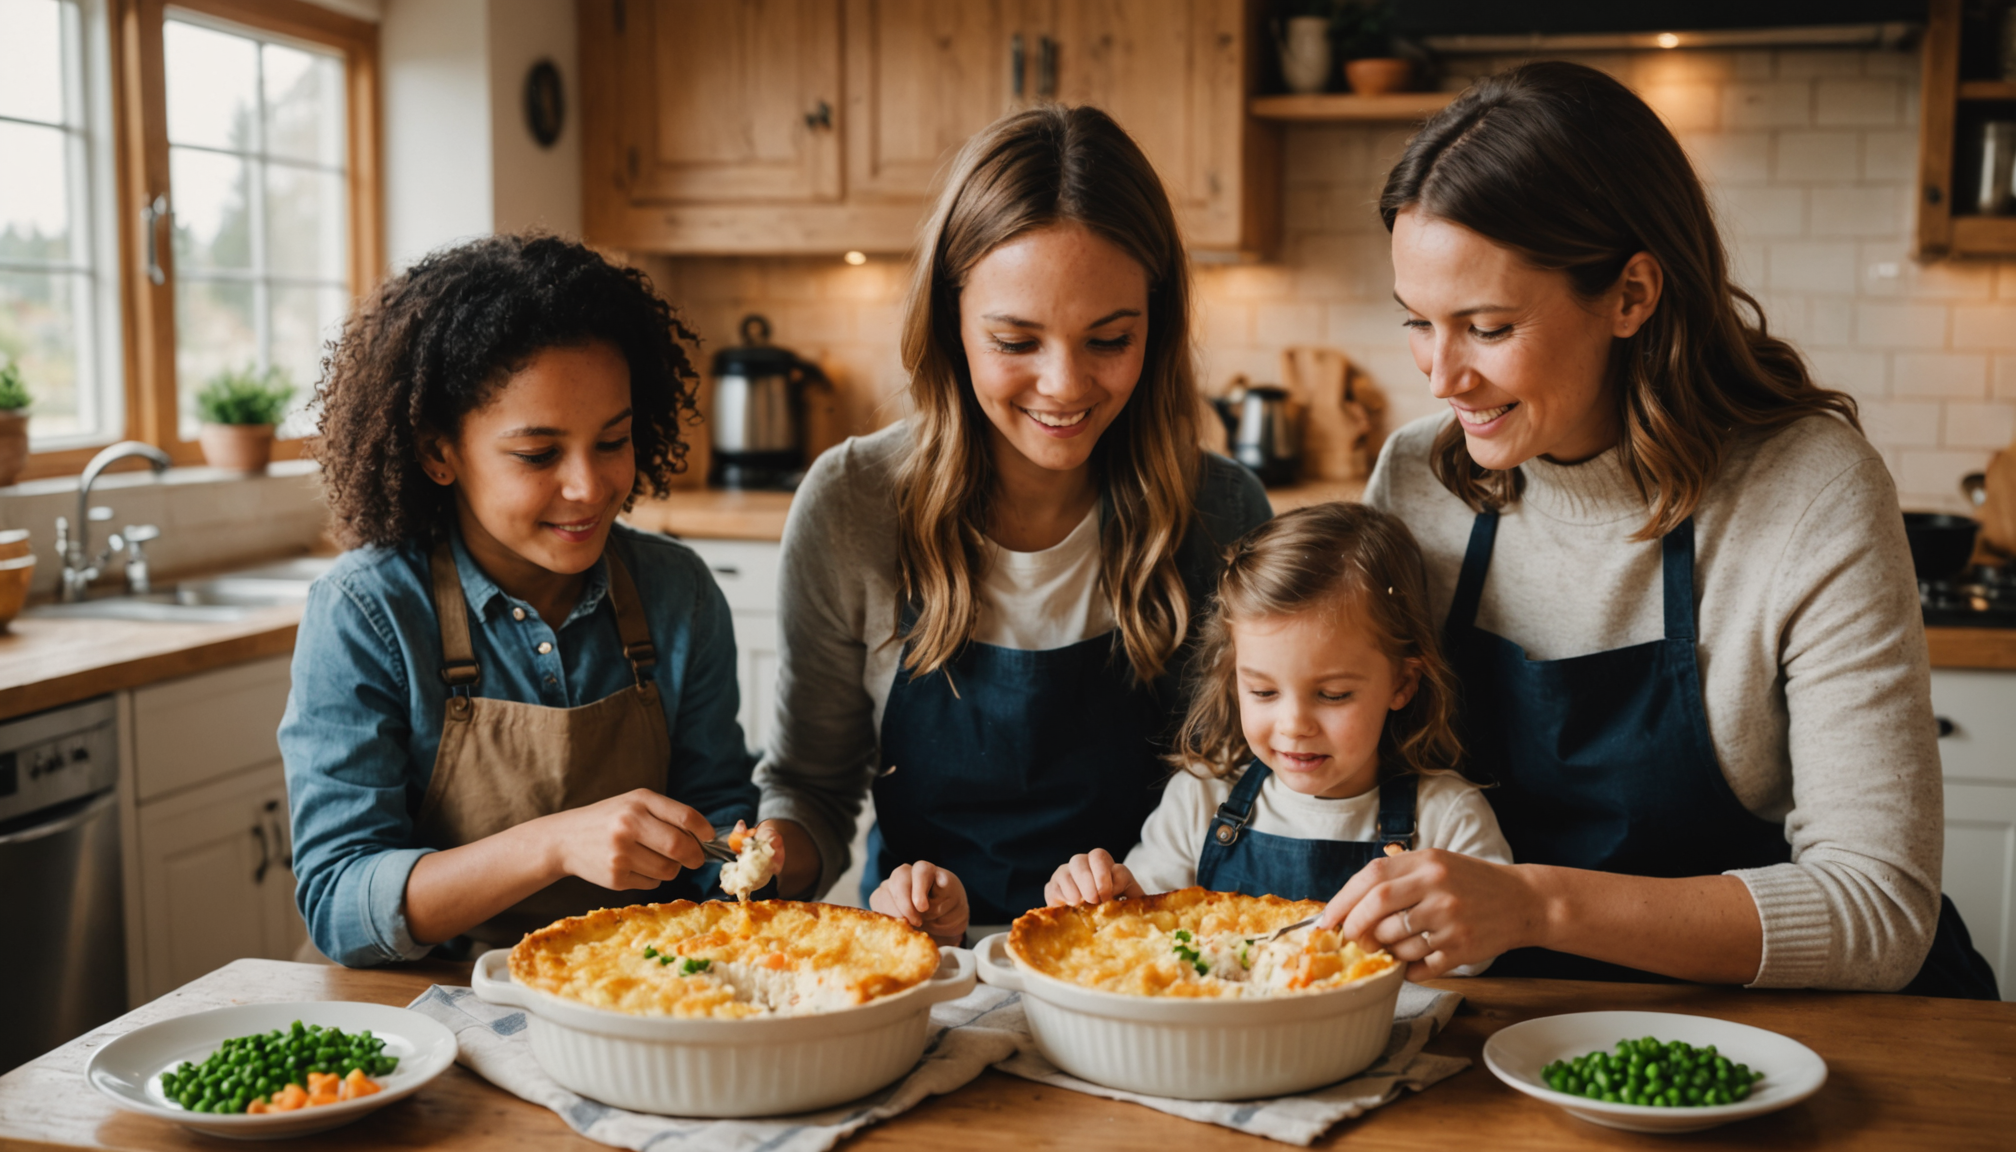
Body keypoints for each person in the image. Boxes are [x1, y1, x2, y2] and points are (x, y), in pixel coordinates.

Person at [1327, 61, 1996, 997]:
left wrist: (1536, 905)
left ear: (1632, 295)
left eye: (1486, 327)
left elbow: (1878, 913)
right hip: (1508, 1019)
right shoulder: (1415, 480)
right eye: (1418, 323)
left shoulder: (1807, 490)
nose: (1441, 378)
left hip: (1786, 1025)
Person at [754, 105, 1273, 946]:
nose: (1064, 385)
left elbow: (1240, 795)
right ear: (951, 324)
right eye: (1016, 341)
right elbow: (811, 787)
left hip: (1145, 969)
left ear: (1157, 324)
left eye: (1109, 339)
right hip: (926, 965)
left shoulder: (1221, 512)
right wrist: (762, 859)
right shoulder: (853, 503)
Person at [282, 235, 775, 967]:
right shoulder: (366, 613)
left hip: (632, 991)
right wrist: (552, 845)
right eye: (538, 455)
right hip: (426, 998)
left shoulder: (678, 593)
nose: (589, 486)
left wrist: (753, 852)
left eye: (613, 440)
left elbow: (716, 824)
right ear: (439, 452)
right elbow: (340, 901)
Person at [1042, 503, 1512, 974]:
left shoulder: (1448, 821)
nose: (1293, 725)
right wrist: (1103, 895)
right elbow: (1144, 927)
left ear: (1402, 683)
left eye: (1332, 694)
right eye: (1263, 692)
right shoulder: (1200, 799)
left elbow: (1478, 956)